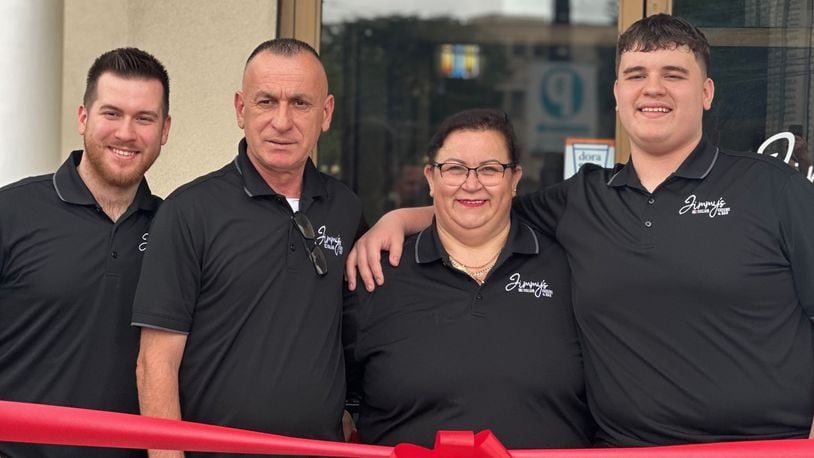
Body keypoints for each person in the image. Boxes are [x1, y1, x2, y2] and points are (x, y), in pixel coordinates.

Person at [347, 14, 814, 447]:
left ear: (707, 92)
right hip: (625, 453)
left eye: (673, 74)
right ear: (616, 92)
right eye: (636, 75)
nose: (653, 89)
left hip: (768, 447)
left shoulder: (775, 189)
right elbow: (482, 203)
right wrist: (400, 218)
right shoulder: (582, 199)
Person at [131, 38, 364, 458]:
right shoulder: (190, 211)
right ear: (241, 110)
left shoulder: (346, 209)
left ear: (325, 113)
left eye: (300, 103)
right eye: (265, 101)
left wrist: (407, 217)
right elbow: (155, 364)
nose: (282, 121)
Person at [347, 108, 593, 448]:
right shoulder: (376, 275)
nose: (472, 183)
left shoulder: (570, 271)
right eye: (455, 169)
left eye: (490, 169)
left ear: (515, 178)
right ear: (431, 179)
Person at [0, 48, 171, 458]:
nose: (126, 133)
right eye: (111, 113)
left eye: (144, 118)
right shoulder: (12, 212)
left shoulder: (173, 228)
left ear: (165, 130)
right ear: (83, 118)